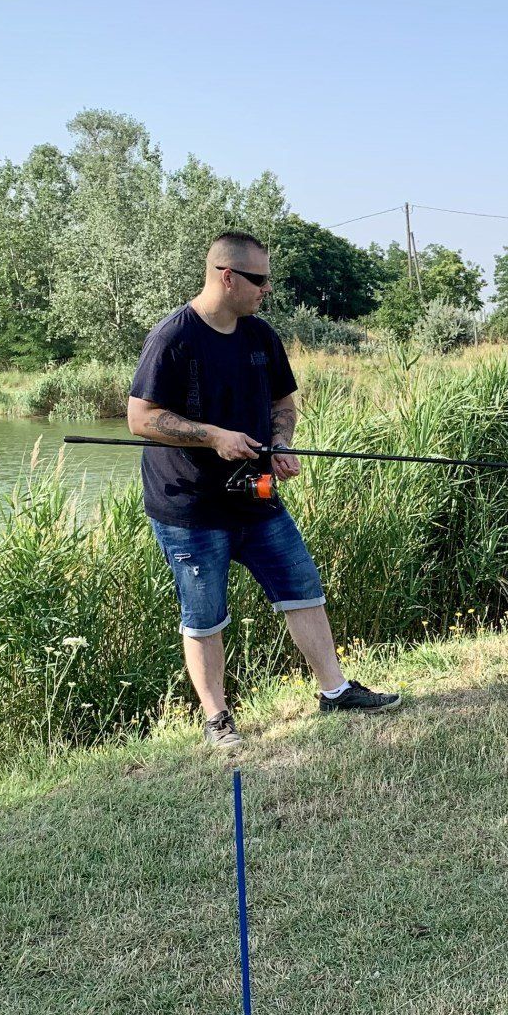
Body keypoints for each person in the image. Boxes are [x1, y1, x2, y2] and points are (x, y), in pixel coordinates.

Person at [127, 230, 401, 747]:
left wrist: (279, 444)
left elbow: (284, 406)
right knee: (204, 615)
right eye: (259, 279)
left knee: (303, 587)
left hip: (256, 493)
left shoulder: (260, 336)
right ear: (226, 277)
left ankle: (335, 692)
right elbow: (141, 418)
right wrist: (214, 436)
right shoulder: (174, 337)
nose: (266, 289)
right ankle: (217, 719)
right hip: (190, 506)